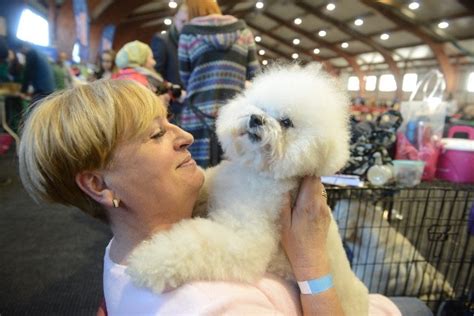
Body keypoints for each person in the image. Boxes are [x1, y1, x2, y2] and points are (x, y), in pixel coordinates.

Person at [18, 80, 405, 315]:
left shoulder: (121, 247)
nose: (185, 135)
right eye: (156, 135)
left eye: (169, 121)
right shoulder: (207, 305)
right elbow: (243, 246)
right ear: (100, 186)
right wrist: (312, 261)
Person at [178, 0, 260, 167]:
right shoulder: (243, 31)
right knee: (234, 171)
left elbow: (185, 76)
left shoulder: (188, 33)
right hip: (235, 115)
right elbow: (255, 73)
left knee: (196, 172)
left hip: (197, 115)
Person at [151, 3, 188, 119]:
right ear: (174, 19)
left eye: (190, 22)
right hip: (174, 107)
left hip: (193, 105)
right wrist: (174, 92)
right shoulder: (162, 41)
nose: (186, 26)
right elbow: (156, 75)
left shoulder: (194, 42)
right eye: (183, 21)